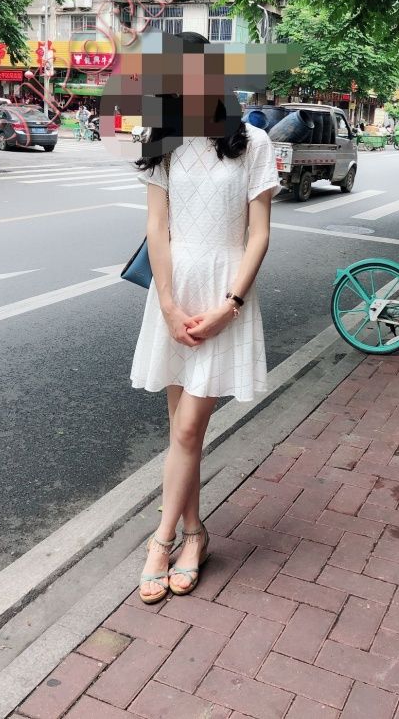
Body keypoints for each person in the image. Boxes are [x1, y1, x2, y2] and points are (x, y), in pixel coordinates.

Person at [131, 31, 281, 603]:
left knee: (189, 429)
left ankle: (160, 541)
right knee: (182, 433)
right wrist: (168, 304)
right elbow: (156, 228)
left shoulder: (252, 143)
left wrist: (230, 305)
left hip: (224, 294)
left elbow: (259, 234)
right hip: (174, 293)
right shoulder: (162, 141)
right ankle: (195, 535)